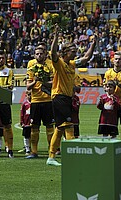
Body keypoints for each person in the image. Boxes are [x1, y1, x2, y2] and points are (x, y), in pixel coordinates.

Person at [47, 25, 97, 166]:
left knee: (60, 127)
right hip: (59, 97)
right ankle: (72, 157)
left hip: (66, 98)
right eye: (73, 51)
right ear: (65, 52)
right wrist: (56, 37)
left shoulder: (72, 64)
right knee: (69, 126)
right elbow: (53, 53)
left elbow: (86, 57)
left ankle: (51, 157)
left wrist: (93, 44)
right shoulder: (59, 63)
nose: (75, 53)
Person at [26, 45, 54, 159]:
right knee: (34, 127)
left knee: (50, 127)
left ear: (45, 54)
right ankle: (34, 151)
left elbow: (54, 82)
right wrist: (36, 81)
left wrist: (44, 81)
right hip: (35, 100)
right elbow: (28, 86)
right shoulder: (31, 66)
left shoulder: (51, 65)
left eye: (41, 53)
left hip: (48, 100)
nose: (39, 55)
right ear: (34, 55)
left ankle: (51, 151)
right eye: (37, 54)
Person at [104, 51, 121, 139]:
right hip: (112, 104)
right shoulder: (108, 73)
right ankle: (113, 147)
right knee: (112, 126)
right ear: (113, 60)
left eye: (119, 59)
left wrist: (119, 84)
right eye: (116, 59)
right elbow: (105, 87)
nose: (117, 61)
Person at [18, 90, 31, 155]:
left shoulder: (34, 103)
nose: (30, 96)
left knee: (33, 136)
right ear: (26, 96)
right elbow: (22, 114)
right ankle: (27, 148)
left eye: (31, 94)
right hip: (26, 123)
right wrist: (22, 121)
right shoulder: (24, 104)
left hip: (33, 123)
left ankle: (31, 148)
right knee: (26, 136)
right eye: (28, 95)